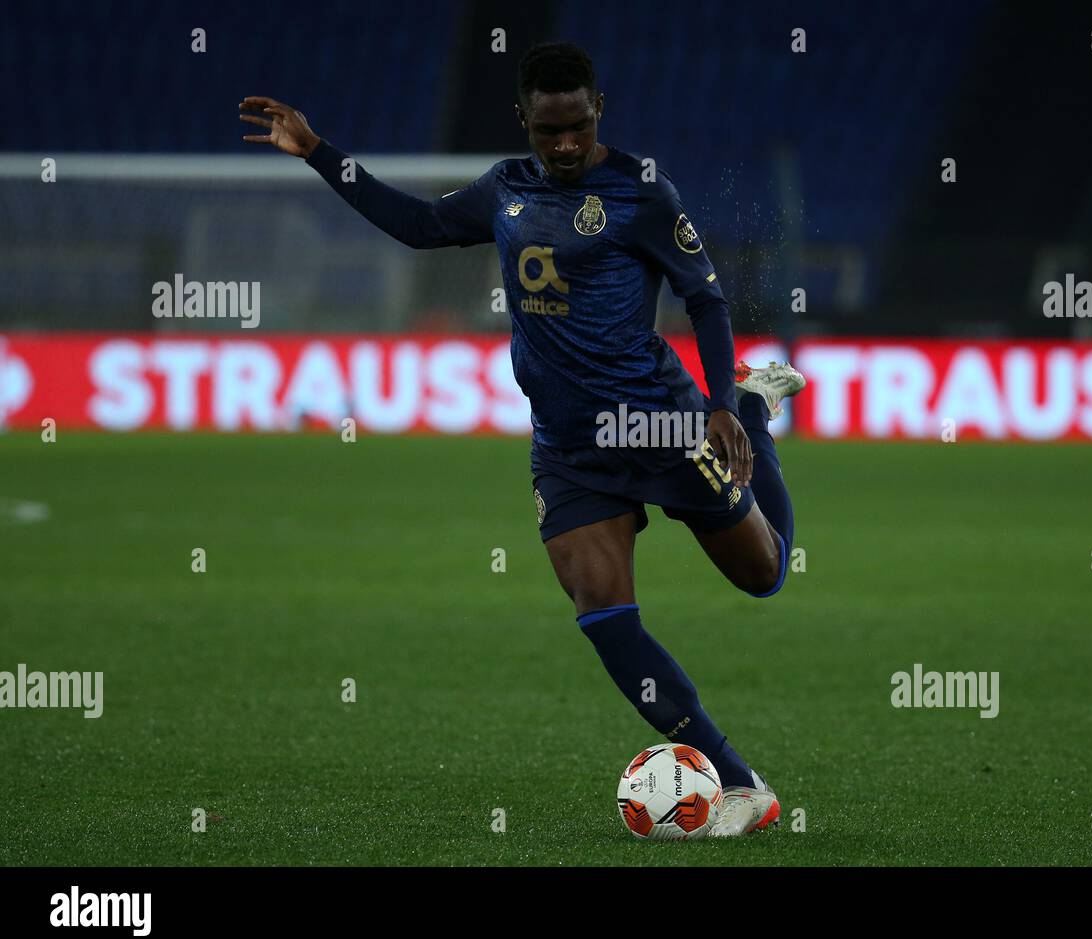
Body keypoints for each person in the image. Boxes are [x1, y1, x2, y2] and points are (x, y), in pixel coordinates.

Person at [240, 40, 805, 837]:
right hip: (569, 449)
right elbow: (421, 226)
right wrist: (320, 154)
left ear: (597, 108)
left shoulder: (642, 192)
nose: (566, 145)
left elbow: (705, 301)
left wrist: (718, 404)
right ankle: (741, 782)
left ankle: (753, 408)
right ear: (525, 122)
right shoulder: (504, 189)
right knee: (602, 611)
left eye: (577, 126)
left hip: (663, 426)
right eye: (549, 132)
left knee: (764, 576)